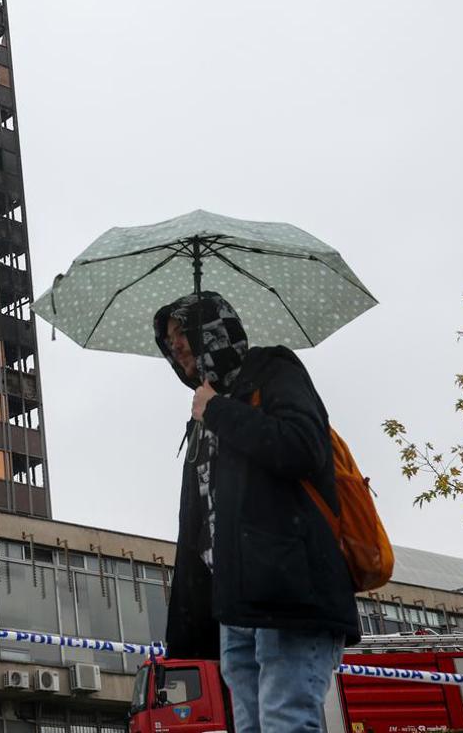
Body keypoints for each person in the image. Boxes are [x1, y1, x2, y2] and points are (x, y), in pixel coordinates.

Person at [154, 291, 360, 733]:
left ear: (209, 330)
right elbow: (200, 525)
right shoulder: (203, 414)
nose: (175, 346)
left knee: (287, 719)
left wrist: (219, 411)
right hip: (236, 603)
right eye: (169, 339)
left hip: (292, 590)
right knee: (249, 727)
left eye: (182, 334)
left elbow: (302, 447)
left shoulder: (273, 370)